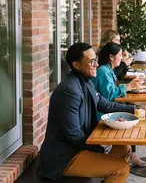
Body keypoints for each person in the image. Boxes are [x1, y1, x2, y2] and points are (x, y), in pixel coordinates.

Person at [37, 43, 134, 182]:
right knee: (121, 169)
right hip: (64, 157)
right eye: (91, 61)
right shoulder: (69, 90)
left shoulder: (86, 81)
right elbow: (74, 135)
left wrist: (137, 110)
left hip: (78, 149)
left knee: (124, 149)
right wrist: (101, 149)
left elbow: (105, 105)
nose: (96, 64)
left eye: (96, 60)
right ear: (76, 65)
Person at [93, 42, 146, 167]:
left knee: (134, 122)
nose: (122, 58)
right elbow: (109, 95)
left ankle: (121, 165)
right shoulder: (103, 71)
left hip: (107, 112)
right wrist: (128, 86)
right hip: (101, 116)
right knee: (133, 125)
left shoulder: (107, 70)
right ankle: (117, 167)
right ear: (111, 57)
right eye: (120, 55)